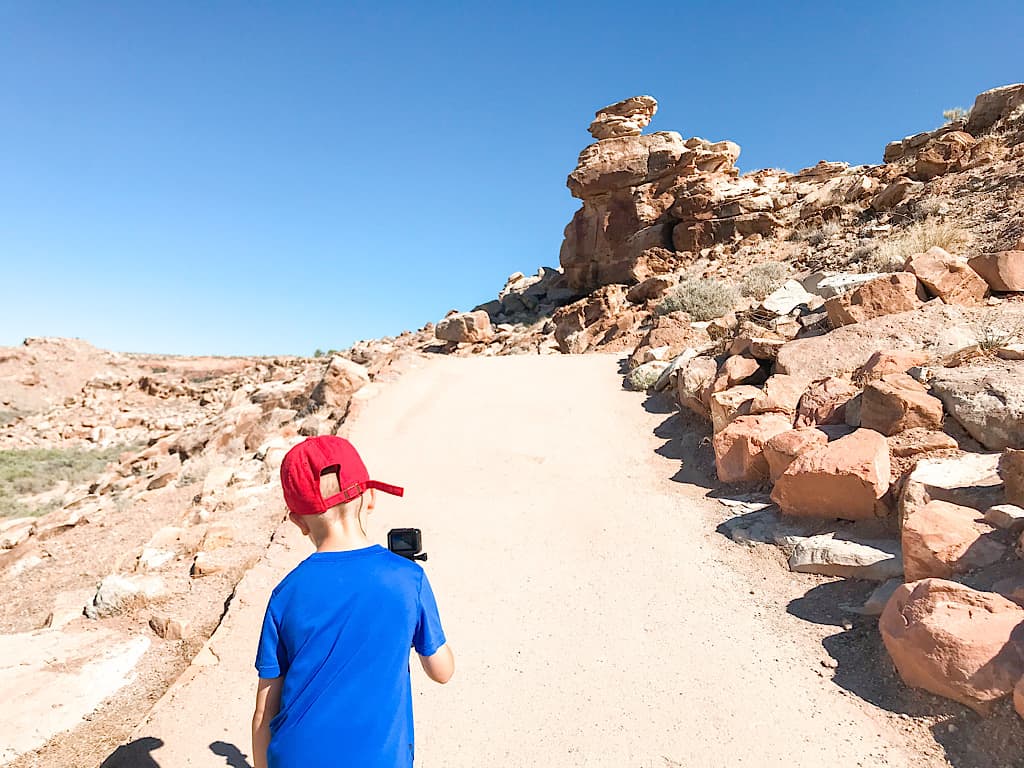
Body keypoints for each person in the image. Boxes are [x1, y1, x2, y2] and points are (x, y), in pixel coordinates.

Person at [252, 435, 454, 768]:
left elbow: (264, 711)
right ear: (371, 498)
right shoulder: (407, 579)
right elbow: (442, 671)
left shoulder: (285, 593)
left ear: (298, 522)